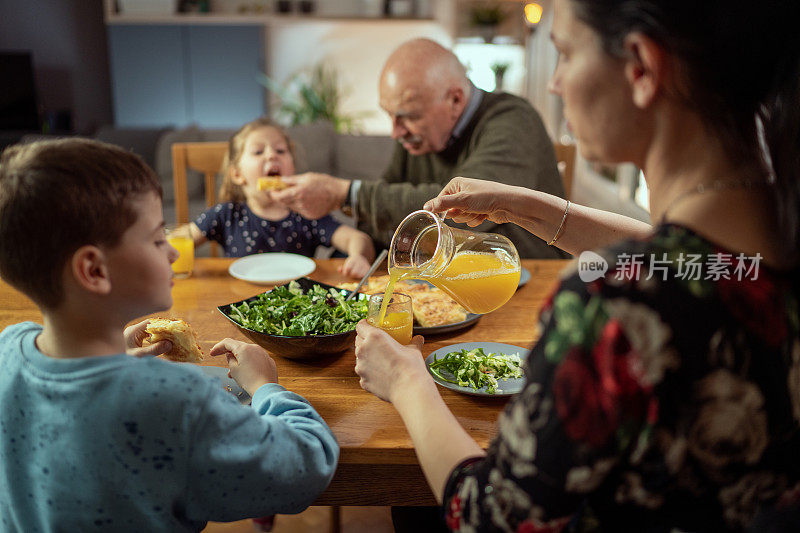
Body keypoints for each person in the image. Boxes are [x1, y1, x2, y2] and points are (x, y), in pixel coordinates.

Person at [353, 0, 800, 531]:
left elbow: (491, 516)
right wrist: (532, 206)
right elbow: (707, 264)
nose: (556, 83)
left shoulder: (612, 304)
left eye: (564, 53)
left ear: (639, 67)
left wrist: (407, 383)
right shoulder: (778, 236)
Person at [0, 138, 339, 531]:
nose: (174, 253)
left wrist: (117, 361)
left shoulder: (8, 348)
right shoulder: (176, 401)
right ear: (93, 271)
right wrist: (266, 387)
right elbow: (307, 466)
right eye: (159, 238)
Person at [267, 38, 570, 259]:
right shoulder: (414, 138)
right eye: (390, 115)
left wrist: (344, 193)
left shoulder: (514, 120)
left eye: (408, 117)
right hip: (447, 278)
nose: (395, 131)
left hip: (528, 282)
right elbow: (387, 209)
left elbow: (460, 209)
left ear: (454, 100)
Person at [188, 117, 374, 278]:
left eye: (280, 151)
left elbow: (358, 239)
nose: (271, 155)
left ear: (292, 167)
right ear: (237, 174)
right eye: (258, 152)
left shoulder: (307, 212)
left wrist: (358, 256)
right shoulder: (226, 214)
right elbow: (179, 241)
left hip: (298, 305)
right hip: (240, 305)